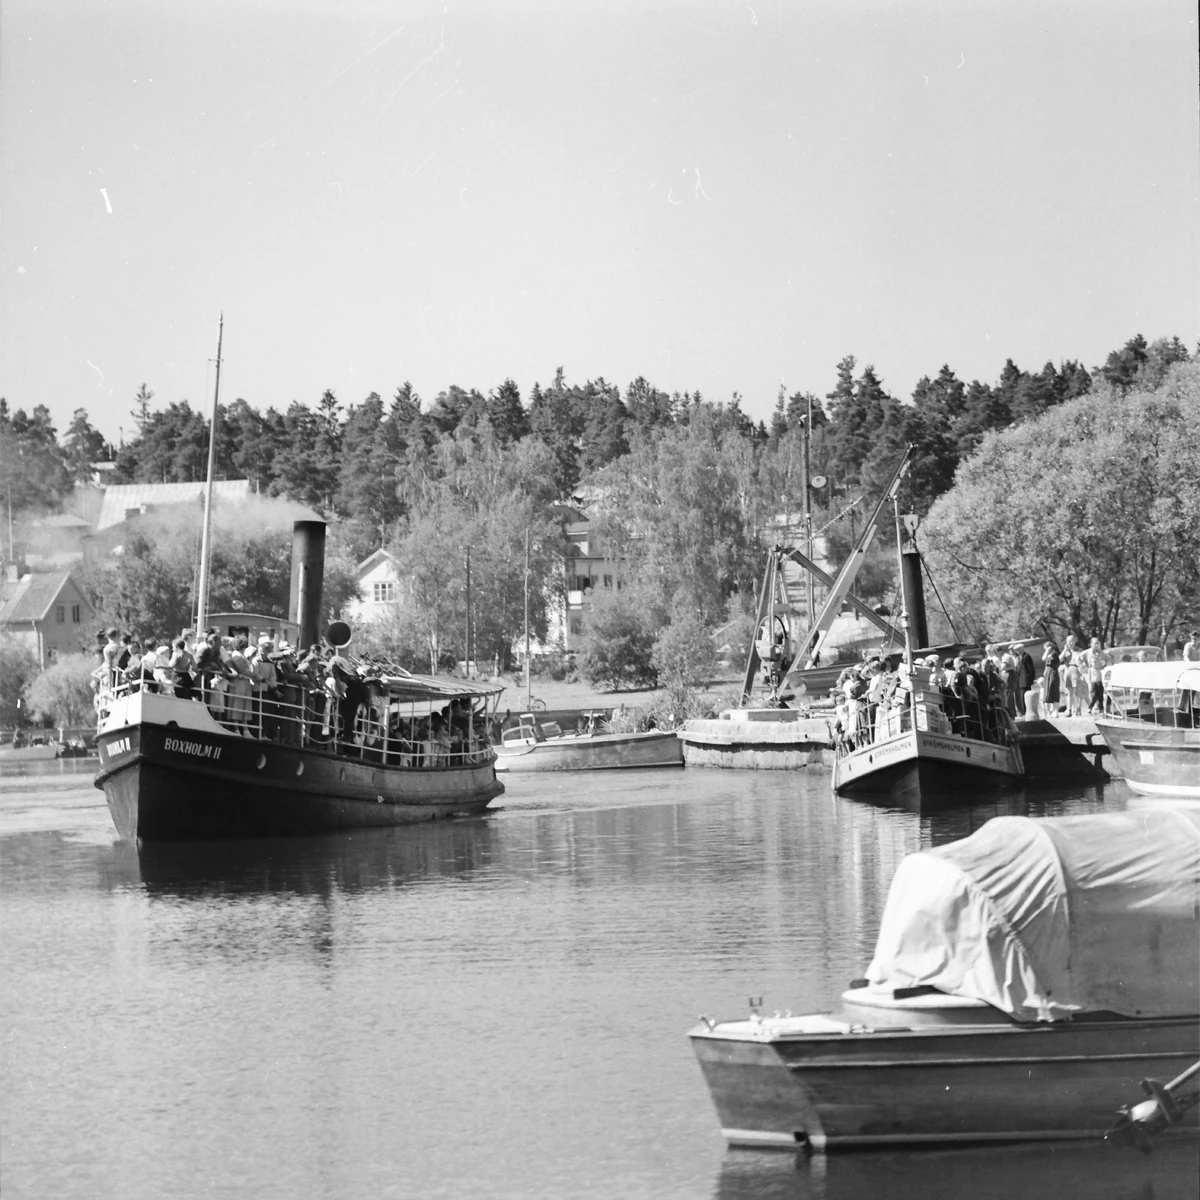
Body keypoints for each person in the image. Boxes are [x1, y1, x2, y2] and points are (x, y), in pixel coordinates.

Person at [1081, 637, 1108, 714]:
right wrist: (1084, 668)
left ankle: (1100, 709)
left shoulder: (1101, 653)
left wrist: (1104, 665)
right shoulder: (1087, 652)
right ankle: (1091, 708)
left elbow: (1107, 659)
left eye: (1097, 643)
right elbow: (1078, 659)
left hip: (1099, 674)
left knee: (1100, 695)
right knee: (1093, 694)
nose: (1096, 645)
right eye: (1095, 643)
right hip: (1091, 675)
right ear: (1091, 644)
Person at [1041, 642, 1061, 715]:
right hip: (1048, 672)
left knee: (1054, 689)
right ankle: (1049, 711)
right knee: (1047, 691)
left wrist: (1047, 650)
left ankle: (1056, 711)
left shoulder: (1054, 654)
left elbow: (1044, 658)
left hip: (1053, 672)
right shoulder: (1048, 654)